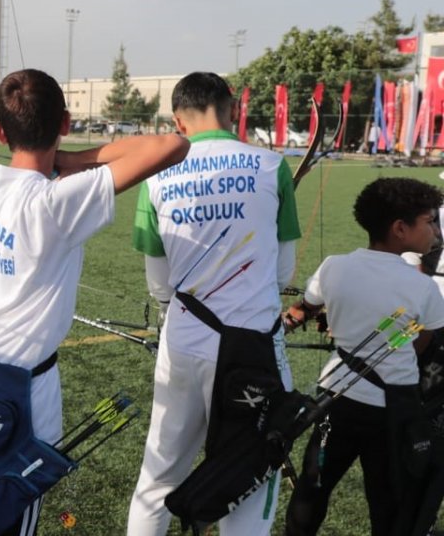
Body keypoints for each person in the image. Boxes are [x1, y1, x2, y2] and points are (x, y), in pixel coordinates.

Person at [0, 68, 188, 533]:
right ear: (65, 123)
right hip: (26, 407)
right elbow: (173, 144)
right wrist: (74, 159)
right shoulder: (57, 203)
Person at [127, 71, 301, 536]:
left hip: (185, 339)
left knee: (159, 475)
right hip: (256, 345)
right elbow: (283, 274)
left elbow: (159, 284)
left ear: (177, 121)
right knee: (252, 471)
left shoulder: (157, 173)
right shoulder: (271, 165)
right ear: (233, 109)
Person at [281, 178, 444, 536]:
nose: (435, 229)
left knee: (313, 486)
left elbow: (304, 308)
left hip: (334, 398)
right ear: (400, 229)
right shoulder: (423, 287)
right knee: (388, 503)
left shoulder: (333, 266)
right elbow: (422, 340)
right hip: (394, 408)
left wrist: (280, 328)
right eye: (429, 221)